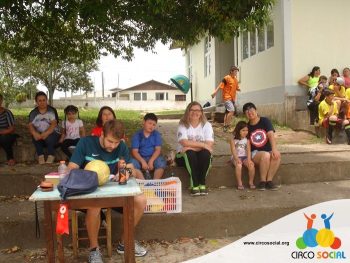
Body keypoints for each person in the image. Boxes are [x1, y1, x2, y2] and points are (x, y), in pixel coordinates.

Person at [68, 119, 147, 262]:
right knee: (95, 205)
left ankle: (125, 241)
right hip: (89, 191)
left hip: (113, 192)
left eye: (116, 142)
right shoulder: (85, 143)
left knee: (141, 200)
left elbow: (132, 168)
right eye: (110, 141)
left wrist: (125, 173)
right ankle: (94, 249)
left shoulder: (121, 146)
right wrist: (88, 177)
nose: (113, 146)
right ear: (102, 134)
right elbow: (71, 168)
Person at [175, 101, 214, 196]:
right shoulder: (182, 124)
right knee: (190, 154)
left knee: (205, 154)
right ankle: (195, 185)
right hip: (182, 157)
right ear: (188, 111)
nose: (195, 112)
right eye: (192, 110)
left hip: (197, 154)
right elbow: (184, 142)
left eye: (197, 110)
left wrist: (190, 147)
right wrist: (203, 145)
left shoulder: (207, 125)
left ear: (201, 112)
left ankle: (202, 184)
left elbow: (209, 144)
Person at [242, 102, 281, 191]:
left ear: (256, 111)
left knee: (277, 156)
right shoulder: (246, 127)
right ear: (245, 115)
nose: (250, 113)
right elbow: (245, 142)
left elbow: (271, 135)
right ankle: (262, 181)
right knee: (266, 155)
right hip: (254, 153)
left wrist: (274, 149)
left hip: (267, 150)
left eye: (251, 110)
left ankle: (269, 181)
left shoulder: (265, 121)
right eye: (247, 112)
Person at [131, 113, 167, 179]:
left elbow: (158, 149)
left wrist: (151, 161)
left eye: (154, 125)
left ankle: (155, 182)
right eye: (149, 123)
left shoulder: (156, 134)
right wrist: (142, 161)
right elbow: (135, 151)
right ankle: (143, 182)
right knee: (131, 163)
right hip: (140, 158)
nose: (151, 126)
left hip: (153, 157)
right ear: (144, 122)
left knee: (161, 162)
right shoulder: (137, 135)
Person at [28, 91, 60, 164]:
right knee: (34, 137)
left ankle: (51, 155)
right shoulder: (33, 112)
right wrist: (35, 134)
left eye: (44, 100)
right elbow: (30, 125)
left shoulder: (51, 111)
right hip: (40, 133)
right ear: (36, 102)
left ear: (46, 100)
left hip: (53, 132)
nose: (42, 102)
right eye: (39, 101)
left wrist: (45, 134)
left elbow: (53, 124)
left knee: (49, 138)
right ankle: (40, 156)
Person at [211, 65, 240, 132]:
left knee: (227, 113)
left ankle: (224, 126)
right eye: (235, 71)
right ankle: (227, 125)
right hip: (227, 98)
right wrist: (215, 92)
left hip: (232, 98)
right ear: (231, 71)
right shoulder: (226, 78)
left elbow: (236, 87)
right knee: (232, 111)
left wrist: (238, 89)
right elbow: (220, 85)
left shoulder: (235, 80)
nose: (236, 73)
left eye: (236, 72)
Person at [229, 121, 255, 190]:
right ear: (238, 130)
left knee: (251, 165)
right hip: (236, 157)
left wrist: (249, 160)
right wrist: (237, 159)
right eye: (243, 130)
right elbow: (233, 150)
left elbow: (248, 151)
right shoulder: (233, 140)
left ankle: (251, 182)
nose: (245, 132)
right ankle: (240, 183)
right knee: (239, 165)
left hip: (245, 157)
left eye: (247, 130)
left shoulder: (247, 140)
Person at [0, 94, 18, 166]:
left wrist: (1, 132)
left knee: (3, 138)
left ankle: (10, 158)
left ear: (1, 101)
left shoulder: (7, 113)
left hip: (7, 135)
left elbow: (12, 128)